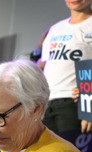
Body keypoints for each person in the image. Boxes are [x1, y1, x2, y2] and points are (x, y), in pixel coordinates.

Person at [40, 0, 92, 134]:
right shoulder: (56, 29)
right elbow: (45, 64)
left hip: (74, 103)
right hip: (47, 103)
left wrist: (89, 109)